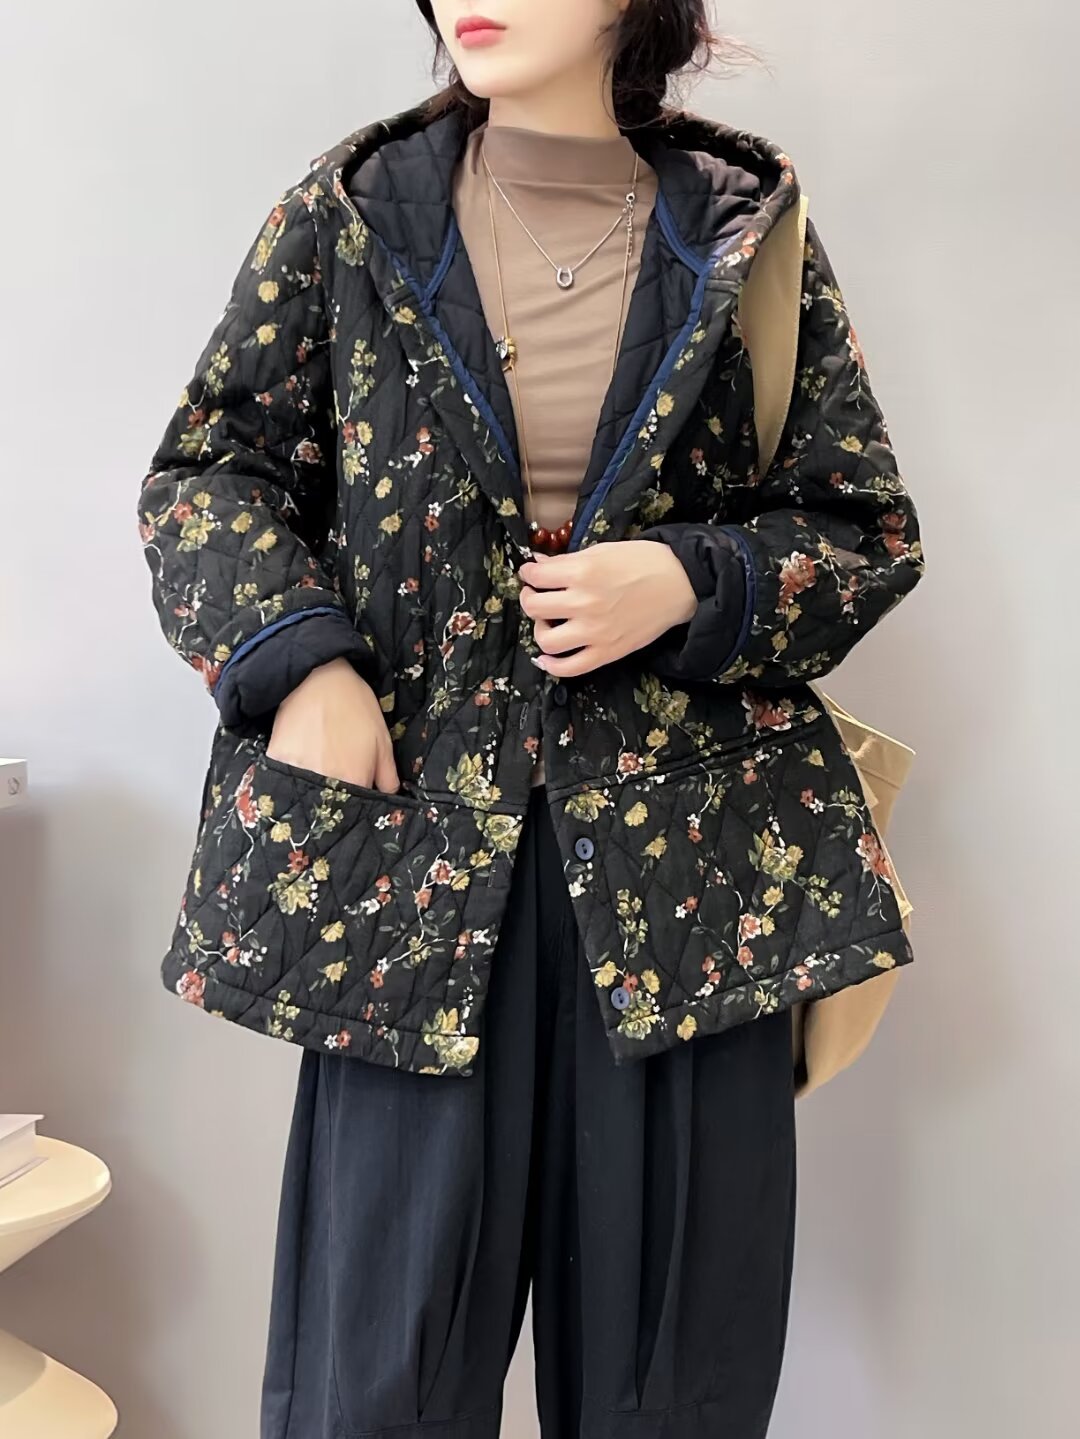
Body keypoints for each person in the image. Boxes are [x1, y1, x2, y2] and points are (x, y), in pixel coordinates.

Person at [136, 2, 925, 1434]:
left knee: (671, 1391)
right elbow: (209, 476)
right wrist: (301, 665)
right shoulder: (353, 215)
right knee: (374, 1388)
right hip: (411, 877)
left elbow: (860, 528)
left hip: (690, 896)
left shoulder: (744, 230)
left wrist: (688, 580)